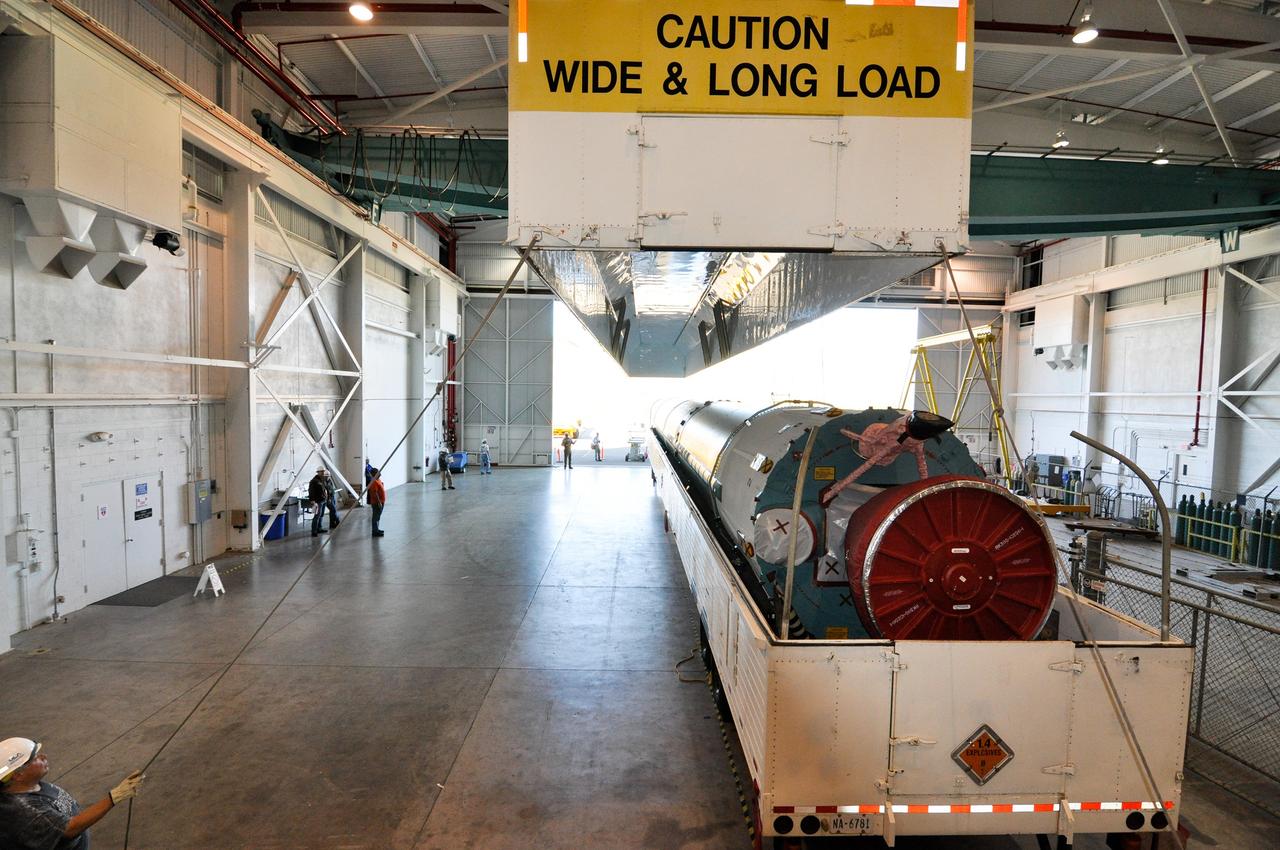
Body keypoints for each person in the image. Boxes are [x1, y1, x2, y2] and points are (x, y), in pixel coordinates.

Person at [0, 737, 144, 850]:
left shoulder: (28, 785)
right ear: (17, 775)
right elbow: (70, 828)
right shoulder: (26, 810)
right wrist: (115, 796)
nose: (43, 756)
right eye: (35, 758)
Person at [308, 468, 340, 536]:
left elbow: (326, 490)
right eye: (321, 472)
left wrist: (328, 498)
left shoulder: (322, 480)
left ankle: (319, 528)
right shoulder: (314, 481)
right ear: (318, 472)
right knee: (317, 516)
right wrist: (313, 501)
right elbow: (311, 491)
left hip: (323, 500)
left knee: (321, 515)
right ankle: (314, 531)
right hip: (318, 501)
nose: (323, 473)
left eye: (323, 472)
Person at [367, 468, 386, 537]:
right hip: (376, 503)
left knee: (377, 516)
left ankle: (377, 529)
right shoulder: (374, 482)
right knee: (375, 517)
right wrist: (379, 502)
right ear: (374, 474)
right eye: (377, 472)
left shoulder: (378, 480)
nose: (379, 473)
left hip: (381, 501)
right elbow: (374, 493)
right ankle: (375, 531)